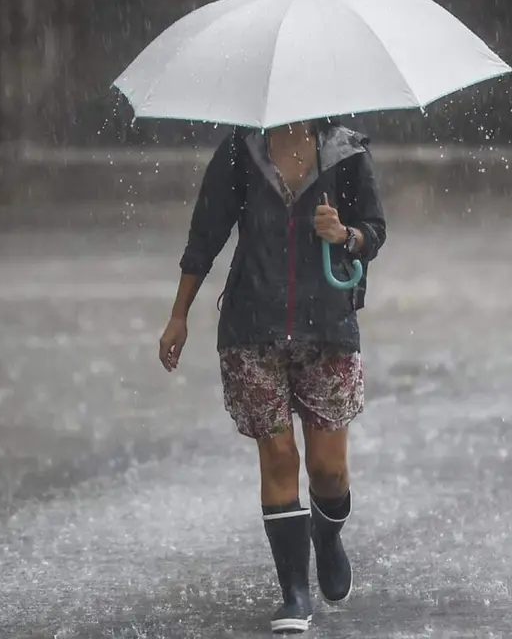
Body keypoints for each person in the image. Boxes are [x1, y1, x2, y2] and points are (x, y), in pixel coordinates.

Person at [159, 118, 386, 633]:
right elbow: (205, 234)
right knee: (278, 457)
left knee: (328, 469)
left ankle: (326, 543)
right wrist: (179, 314)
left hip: (327, 326)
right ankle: (294, 593)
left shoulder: (346, 153)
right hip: (252, 326)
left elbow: (374, 230)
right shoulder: (242, 152)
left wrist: (346, 234)